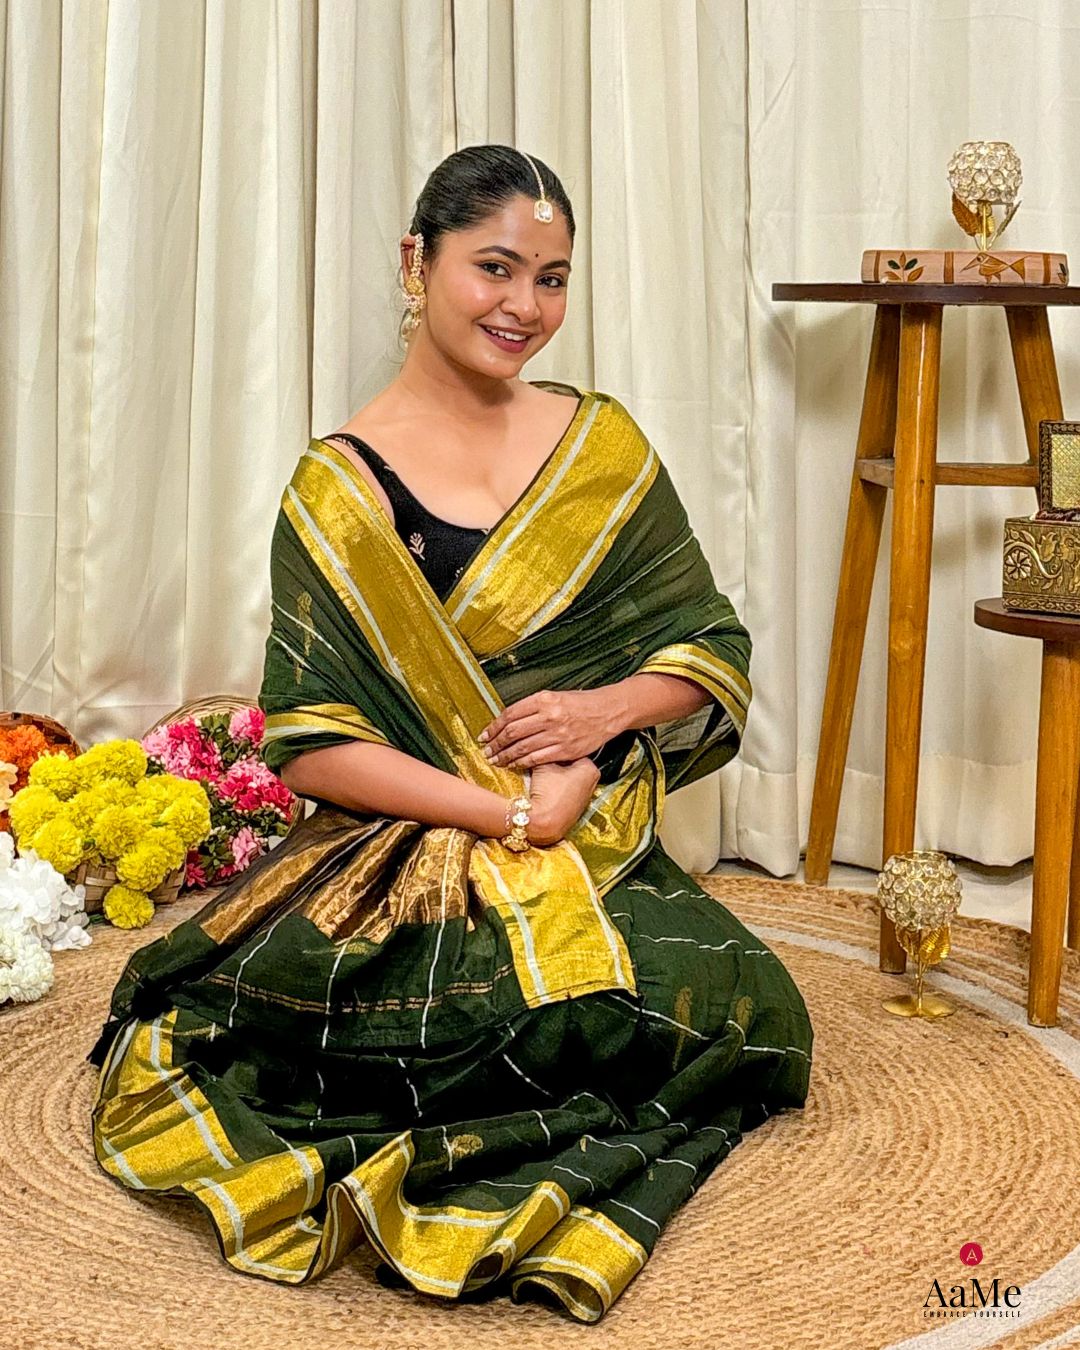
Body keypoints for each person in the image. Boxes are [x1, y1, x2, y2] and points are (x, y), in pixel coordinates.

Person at [87, 144, 813, 1324]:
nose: (526, 307)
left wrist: (599, 717)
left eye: (554, 277)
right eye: (496, 268)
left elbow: (707, 643)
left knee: (748, 1014)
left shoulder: (605, 450)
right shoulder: (337, 493)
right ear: (415, 264)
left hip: (595, 834)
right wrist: (514, 813)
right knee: (417, 1030)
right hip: (406, 844)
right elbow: (313, 743)